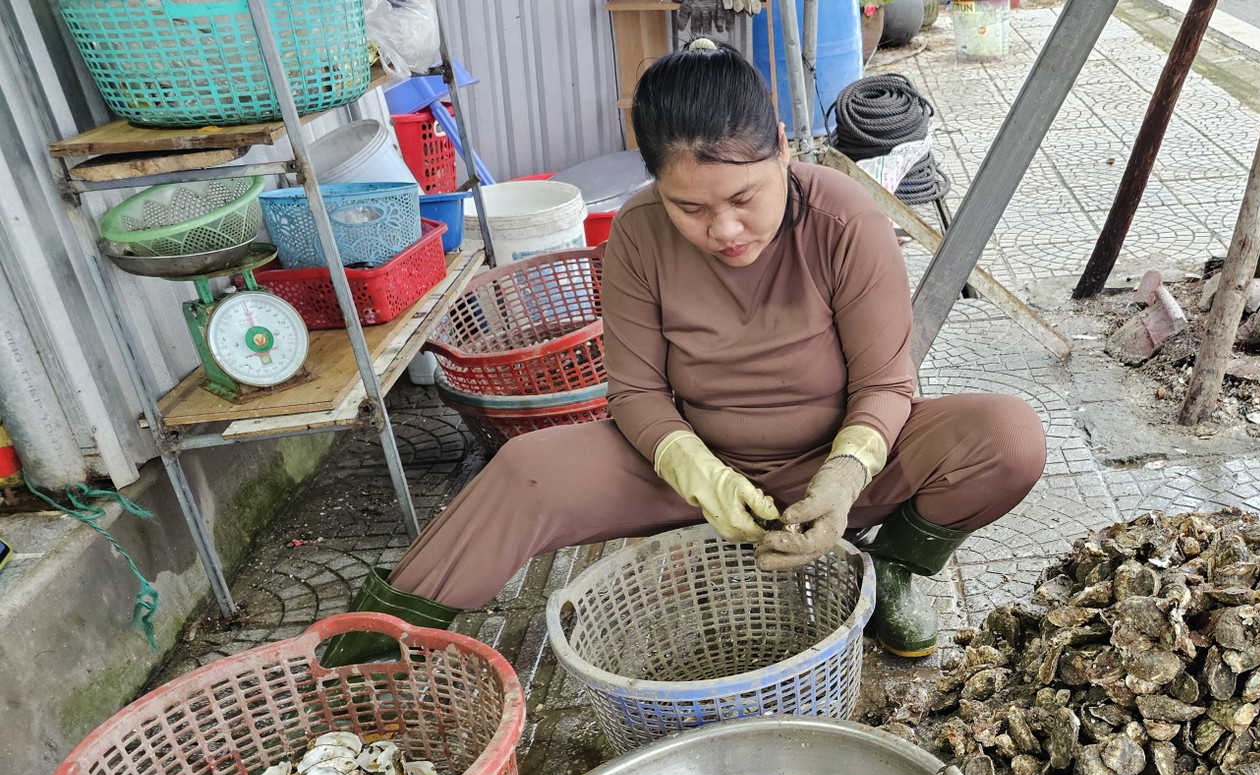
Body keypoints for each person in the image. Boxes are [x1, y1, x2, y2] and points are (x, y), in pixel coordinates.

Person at [323, 39, 1045, 664]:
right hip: (687, 468)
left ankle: (893, 569)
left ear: (785, 151)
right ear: (655, 187)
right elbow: (634, 394)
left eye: (744, 196)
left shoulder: (846, 220)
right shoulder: (636, 232)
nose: (725, 229)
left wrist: (844, 480)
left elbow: (888, 384)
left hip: (830, 459)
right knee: (523, 470)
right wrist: (698, 472)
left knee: (1007, 438)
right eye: (690, 208)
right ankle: (368, 656)